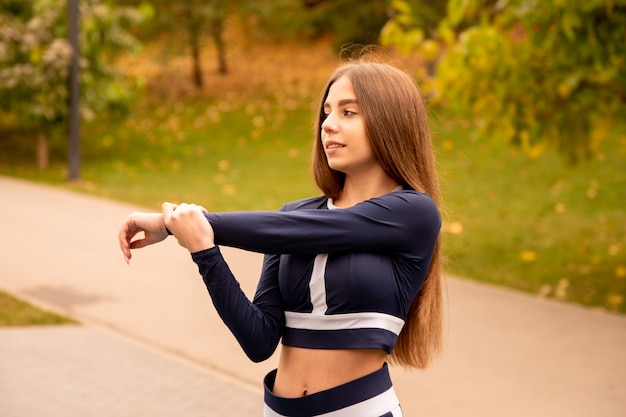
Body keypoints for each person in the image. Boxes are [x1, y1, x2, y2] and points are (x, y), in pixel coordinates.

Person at [118, 59, 444, 417]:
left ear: (391, 122)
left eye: (348, 112)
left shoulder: (413, 213)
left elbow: (311, 232)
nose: (328, 125)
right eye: (327, 112)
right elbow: (259, 341)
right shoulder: (294, 215)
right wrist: (203, 250)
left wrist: (178, 222)